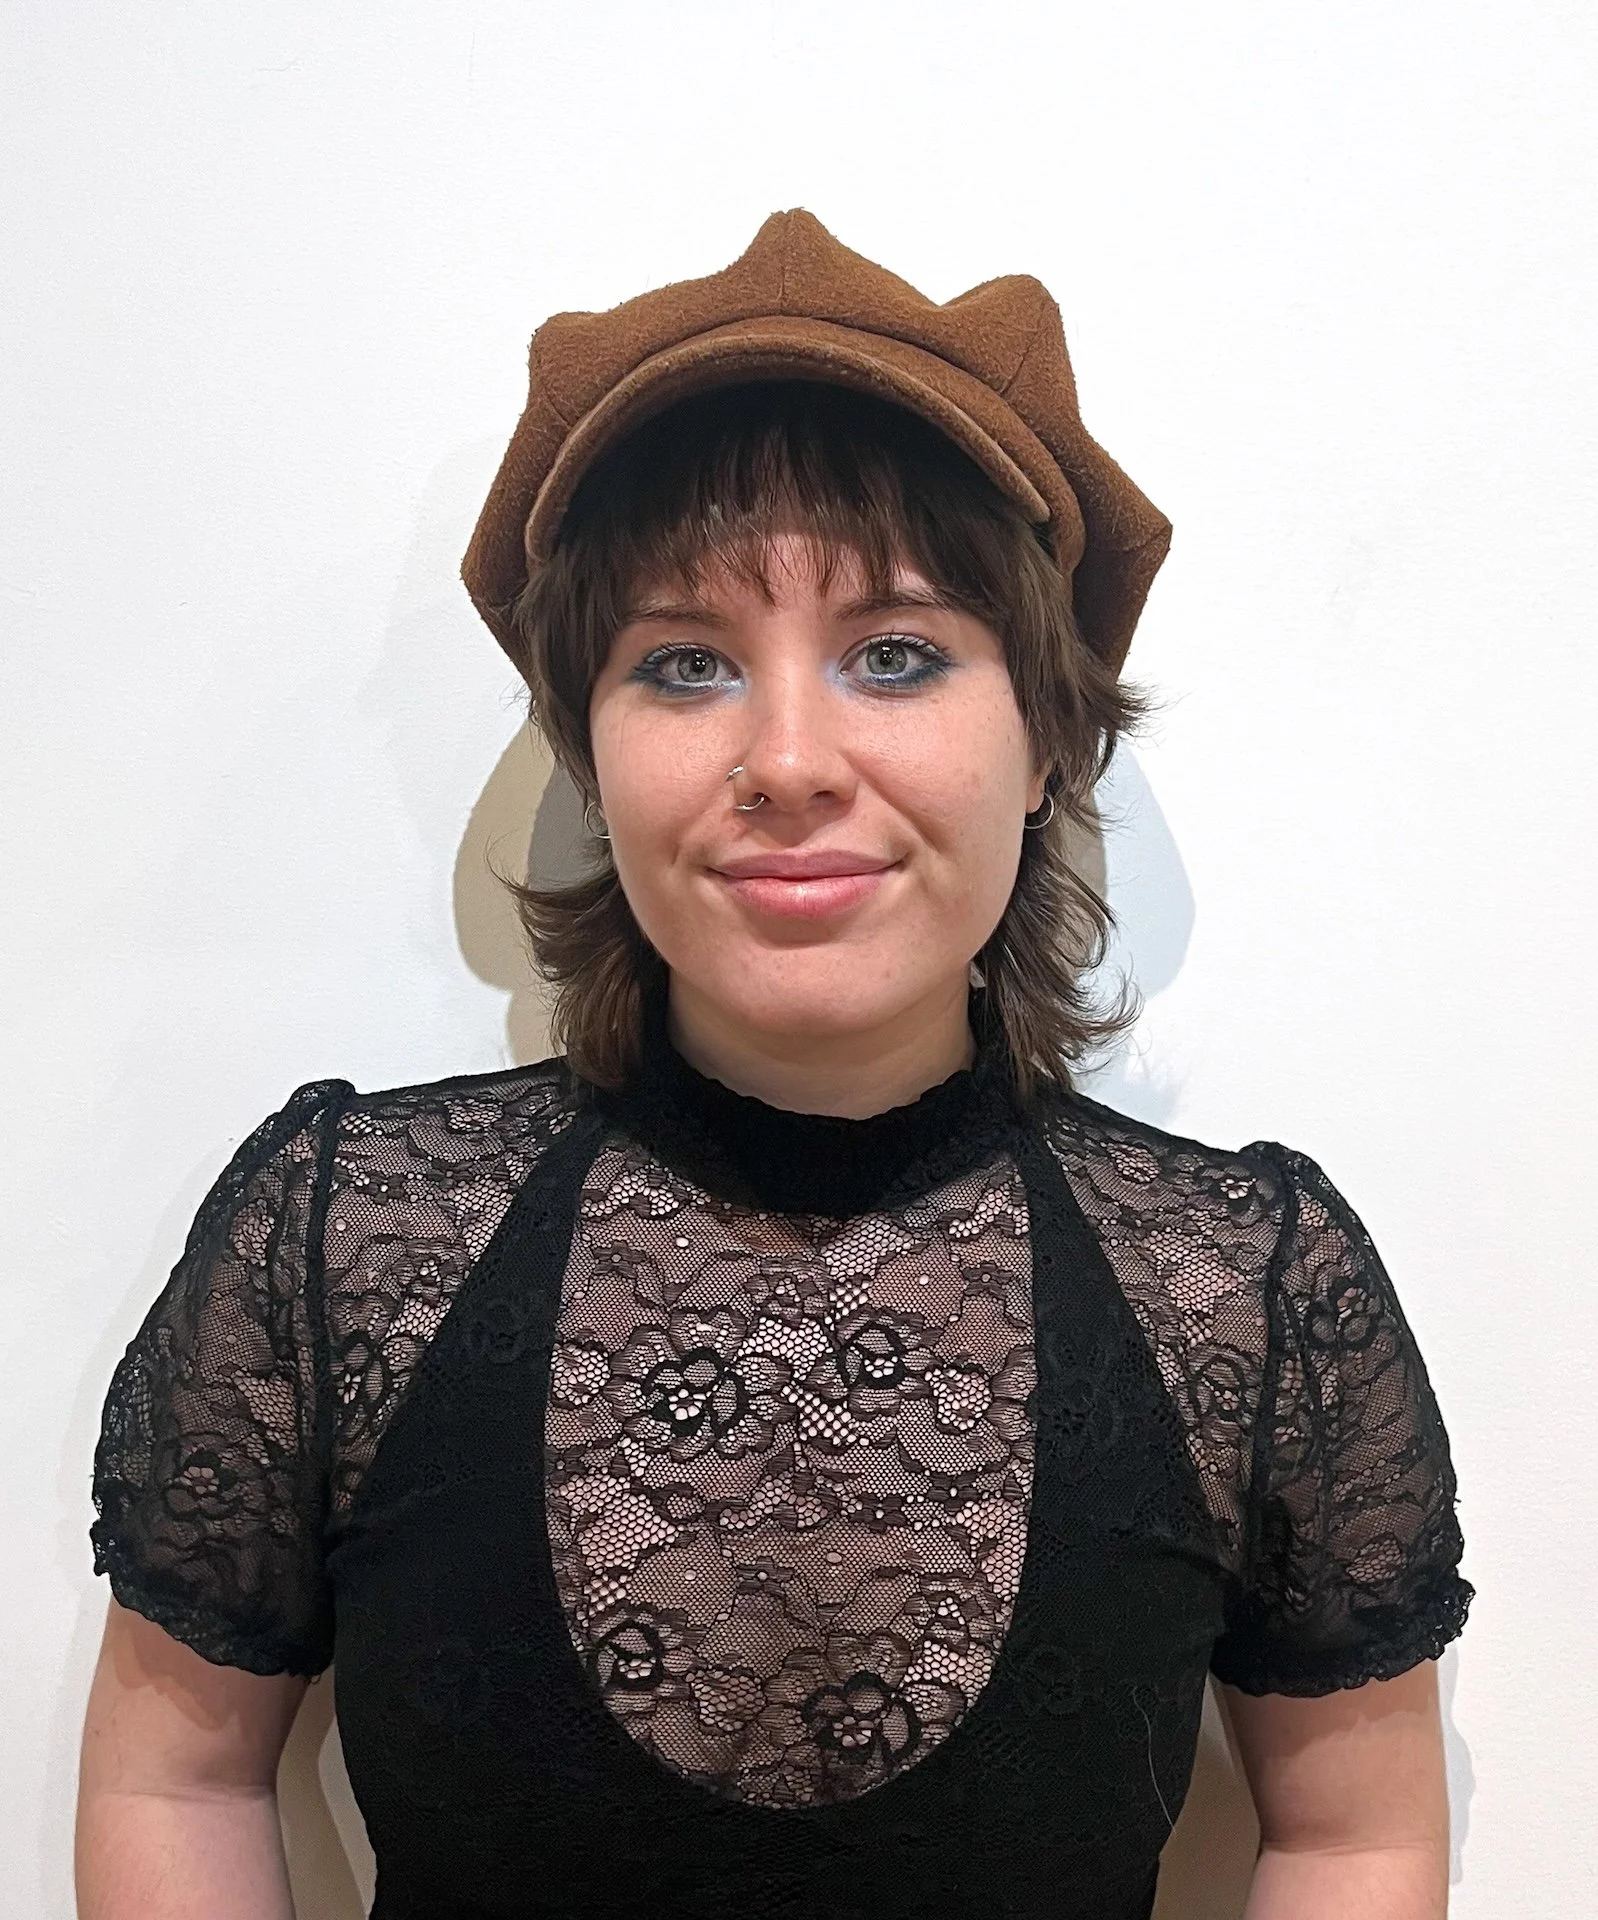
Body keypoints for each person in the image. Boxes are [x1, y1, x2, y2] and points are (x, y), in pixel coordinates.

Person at [76, 210, 1472, 1920]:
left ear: (1043, 735)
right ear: (592, 746)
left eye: (895, 653)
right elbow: (176, 1770)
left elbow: (1355, 1832)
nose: (789, 759)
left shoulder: (1246, 1293)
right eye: (684, 664)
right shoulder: (347, 1241)